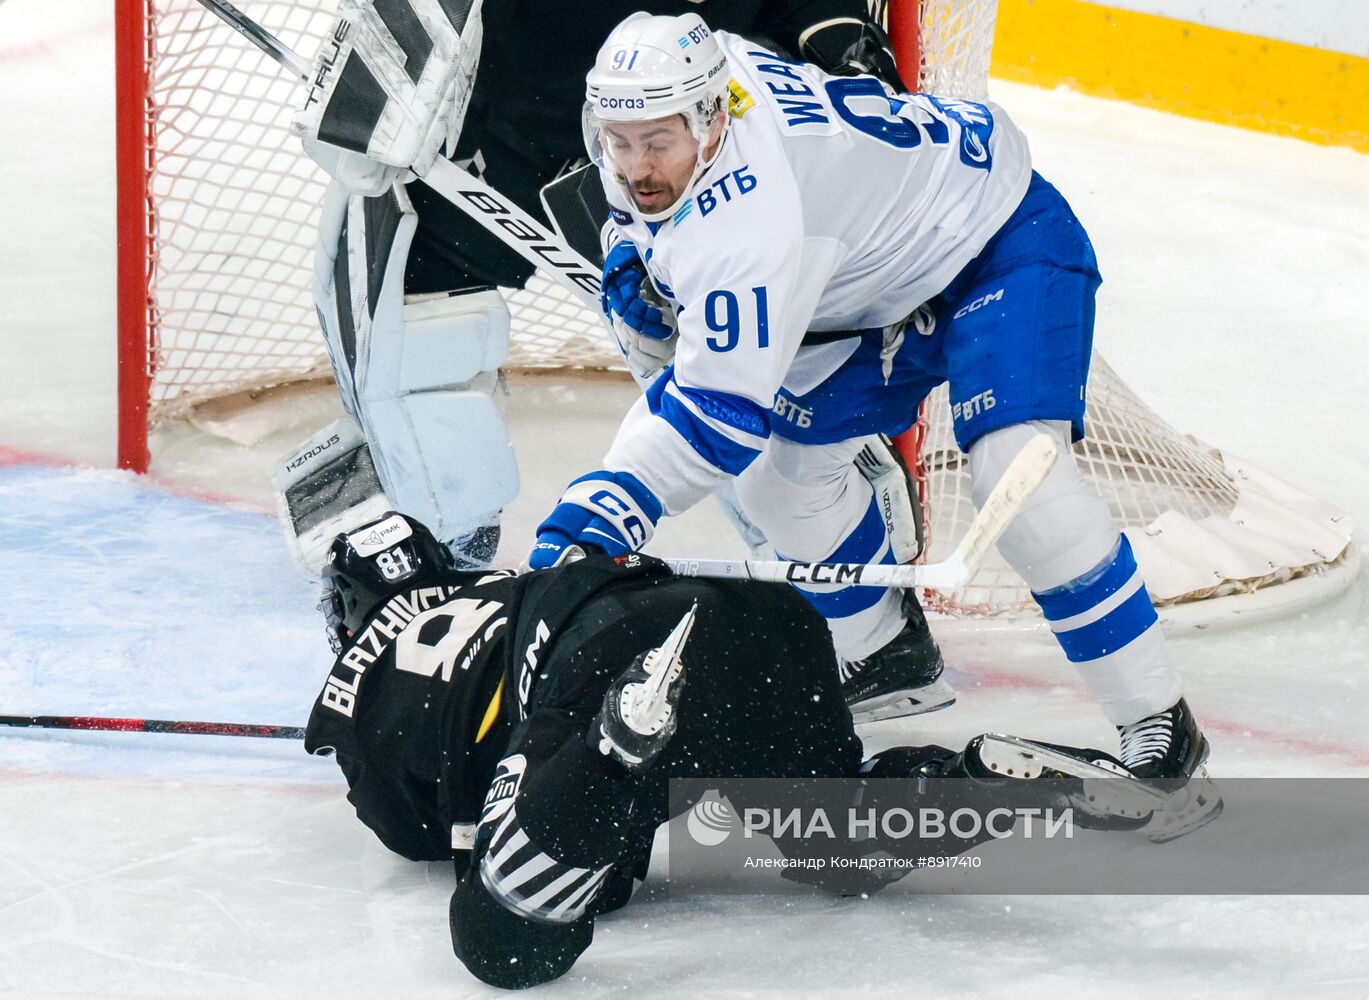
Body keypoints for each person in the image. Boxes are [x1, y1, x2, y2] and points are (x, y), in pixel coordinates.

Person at [526, 12, 1212, 778]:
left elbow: (717, 415)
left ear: (712, 120)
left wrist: (604, 508)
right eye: (620, 143)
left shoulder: (753, 222)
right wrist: (627, 243)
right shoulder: (701, 88)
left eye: (658, 144)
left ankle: (1156, 718)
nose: (638, 168)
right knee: (782, 487)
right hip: (865, 283)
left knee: (1020, 481)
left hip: (998, 241)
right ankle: (884, 652)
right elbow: (650, 183)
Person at [305, 511, 1203, 990]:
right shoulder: (500, 580)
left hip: (603, 665)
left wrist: (574, 799)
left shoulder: (355, 675)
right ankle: (973, 779)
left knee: (502, 949)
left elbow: (423, 832)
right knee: (831, 840)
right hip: (752, 623)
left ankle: (619, 746)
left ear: (345, 613)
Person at [273, 0, 913, 575]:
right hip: (501, 120)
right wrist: (390, 46)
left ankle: (842, 578)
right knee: (389, 281)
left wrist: (841, 44)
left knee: (715, 367)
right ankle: (443, 547)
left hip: (686, 157)